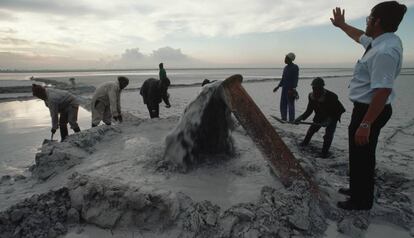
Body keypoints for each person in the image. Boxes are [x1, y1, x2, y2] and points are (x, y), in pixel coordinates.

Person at [331, 1, 406, 210]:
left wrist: (366, 124)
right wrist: (342, 25)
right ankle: (357, 189)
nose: (367, 22)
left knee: (363, 155)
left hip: (371, 110)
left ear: (377, 21)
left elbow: (382, 91)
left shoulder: (384, 51)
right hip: (365, 109)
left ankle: (361, 201)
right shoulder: (381, 41)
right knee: (358, 153)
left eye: (369, 18)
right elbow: (359, 37)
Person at [294, 77, 345, 158]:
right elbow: (309, 110)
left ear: (322, 88)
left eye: (318, 88)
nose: (315, 90)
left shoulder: (332, 96)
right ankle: (305, 143)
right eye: (314, 88)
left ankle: (324, 153)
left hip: (333, 116)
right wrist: (300, 118)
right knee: (311, 130)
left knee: (328, 135)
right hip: (319, 116)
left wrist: (329, 120)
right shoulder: (311, 96)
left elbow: (340, 110)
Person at [273, 52, 299, 122]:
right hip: (284, 88)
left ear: (290, 59)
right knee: (283, 104)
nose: (284, 59)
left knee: (290, 105)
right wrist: (278, 86)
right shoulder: (285, 68)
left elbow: (296, 78)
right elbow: (283, 78)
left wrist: (293, 88)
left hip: (290, 89)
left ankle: (291, 120)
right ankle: (284, 118)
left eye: (286, 58)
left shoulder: (295, 67)